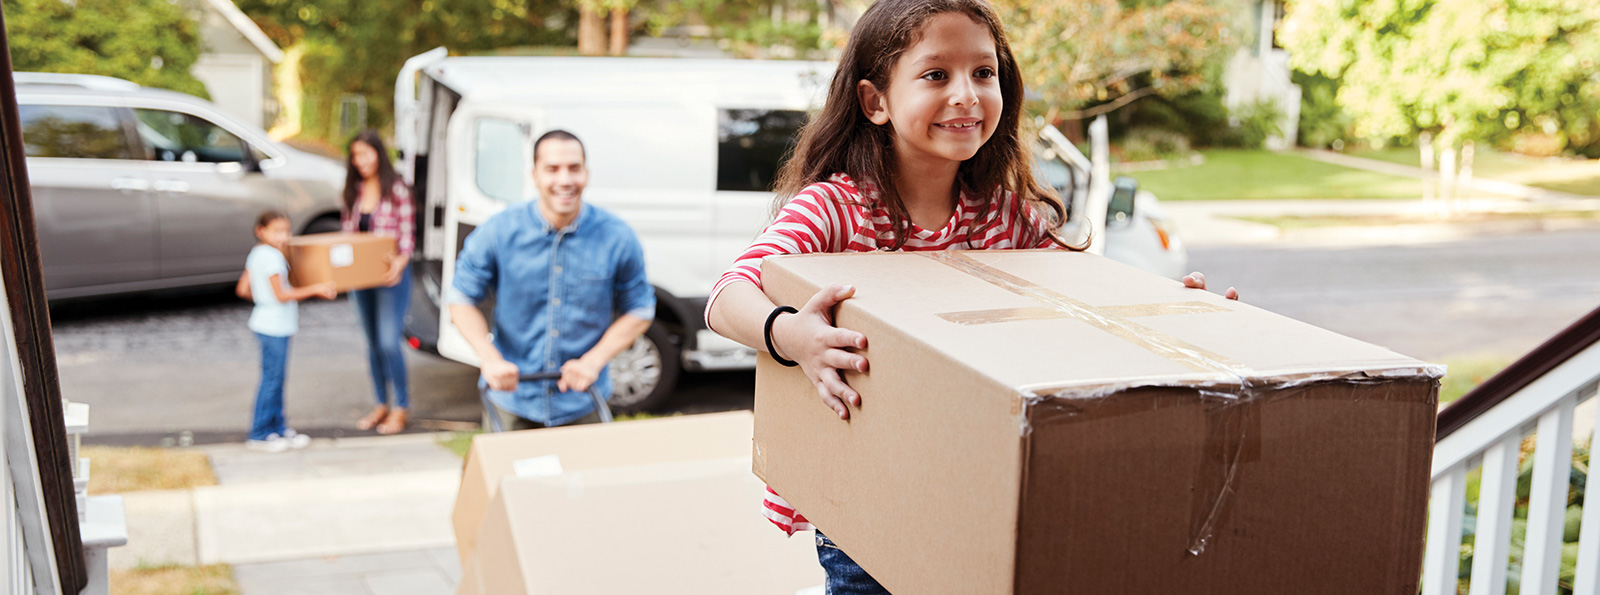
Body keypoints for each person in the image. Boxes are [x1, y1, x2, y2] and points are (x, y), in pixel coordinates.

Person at [702, 0, 1239, 591]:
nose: (967, 94)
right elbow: (727, 295)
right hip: (864, 511)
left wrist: (1176, 314)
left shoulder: (1010, 220)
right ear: (875, 101)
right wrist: (790, 335)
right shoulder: (836, 208)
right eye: (937, 74)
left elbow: (1090, 311)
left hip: (970, 493)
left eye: (984, 73)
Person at [446, 130, 655, 431]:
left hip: (584, 400)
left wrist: (593, 361)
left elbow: (640, 309)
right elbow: (460, 298)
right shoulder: (498, 231)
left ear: (587, 173)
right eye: (552, 169)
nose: (565, 180)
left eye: (574, 168)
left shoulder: (617, 237)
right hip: (512, 401)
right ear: (534, 175)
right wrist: (489, 358)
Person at [239, 210, 336, 452]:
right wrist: (316, 289)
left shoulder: (257, 253)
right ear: (261, 231)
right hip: (275, 326)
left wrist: (262, 299)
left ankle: (279, 428)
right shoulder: (273, 257)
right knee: (272, 380)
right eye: (277, 231)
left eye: (286, 231)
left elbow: (243, 289)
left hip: (264, 322)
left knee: (275, 378)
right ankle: (260, 433)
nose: (283, 236)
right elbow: (281, 295)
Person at [342, 130, 417, 435]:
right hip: (361, 279)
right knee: (372, 344)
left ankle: (401, 407)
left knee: (389, 342)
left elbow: (408, 237)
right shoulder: (353, 190)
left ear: (378, 153)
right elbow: (346, 238)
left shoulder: (397, 188)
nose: (360, 161)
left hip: (391, 277)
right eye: (355, 156)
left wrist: (400, 261)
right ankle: (380, 404)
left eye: (366, 154)